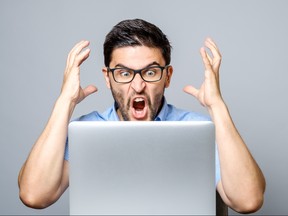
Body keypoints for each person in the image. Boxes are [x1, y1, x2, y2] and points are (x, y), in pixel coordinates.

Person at [18, 19, 265, 213]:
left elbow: (247, 201)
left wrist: (217, 106)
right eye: (124, 73)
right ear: (108, 77)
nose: (137, 86)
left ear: (167, 76)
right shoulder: (86, 131)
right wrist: (65, 102)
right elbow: (35, 196)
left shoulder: (199, 129)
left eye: (150, 72)